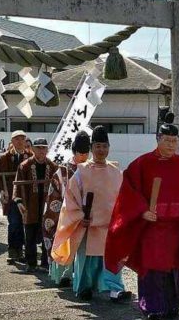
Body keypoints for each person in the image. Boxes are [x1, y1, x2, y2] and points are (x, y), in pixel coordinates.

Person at [105, 113, 179, 320]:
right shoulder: (142, 164)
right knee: (152, 267)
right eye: (167, 140)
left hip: (175, 227)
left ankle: (171, 305)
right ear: (158, 139)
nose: (171, 144)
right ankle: (152, 308)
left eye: (174, 141)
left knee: (173, 269)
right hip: (152, 227)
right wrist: (142, 210)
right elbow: (128, 191)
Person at [51, 126, 132, 302]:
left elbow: (124, 198)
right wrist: (80, 216)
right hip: (88, 223)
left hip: (110, 225)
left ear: (109, 148)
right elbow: (70, 197)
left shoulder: (116, 172)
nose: (101, 150)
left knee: (111, 258)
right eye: (97, 146)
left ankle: (115, 289)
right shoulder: (82, 171)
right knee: (85, 259)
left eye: (104, 146)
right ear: (92, 148)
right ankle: (83, 287)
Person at [43, 131, 90, 287]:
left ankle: (81, 278)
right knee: (67, 245)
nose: (83, 156)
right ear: (73, 151)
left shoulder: (92, 169)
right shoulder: (62, 171)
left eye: (85, 152)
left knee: (83, 249)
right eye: (79, 153)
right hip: (67, 215)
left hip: (87, 216)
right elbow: (54, 196)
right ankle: (65, 274)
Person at [13, 138, 57, 274]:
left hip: (47, 207)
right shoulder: (24, 166)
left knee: (47, 234)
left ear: (47, 149)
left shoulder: (53, 166)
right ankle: (31, 263)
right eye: (38, 148)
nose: (42, 151)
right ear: (33, 149)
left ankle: (45, 263)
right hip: (30, 206)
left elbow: (59, 187)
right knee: (30, 236)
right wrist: (19, 201)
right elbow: (18, 185)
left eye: (44, 148)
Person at [0, 130, 30, 264]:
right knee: (14, 223)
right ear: (12, 141)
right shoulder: (4, 157)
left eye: (22, 139)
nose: (20, 142)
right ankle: (13, 252)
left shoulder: (31, 156)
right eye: (17, 139)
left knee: (28, 224)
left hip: (28, 197)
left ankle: (28, 253)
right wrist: (2, 191)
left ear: (25, 141)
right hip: (11, 195)